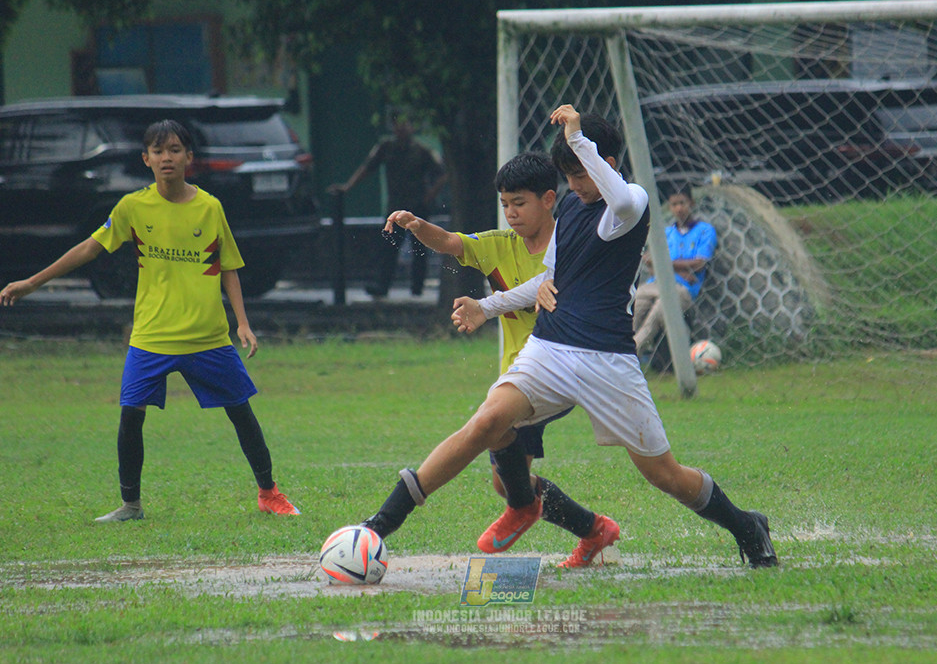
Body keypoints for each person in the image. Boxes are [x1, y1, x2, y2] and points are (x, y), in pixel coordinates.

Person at [362, 105, 777, 570]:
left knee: (665, 475)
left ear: (608, 165)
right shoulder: (572, 216)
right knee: (486, 424)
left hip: (609, 361)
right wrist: (486, 307)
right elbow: (547, 282)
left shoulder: (633, 200)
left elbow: (618, 202)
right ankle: (382, 523)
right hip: (550, 349)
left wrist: (579, 138)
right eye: (569, 176)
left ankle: (745, 525)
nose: (575, 186)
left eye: (580, 174)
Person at [0, 120, 300, 522]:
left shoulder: (210, 207)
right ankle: (130, 505)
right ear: (146, 159)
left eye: (175, 150)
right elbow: (90, 247)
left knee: (241, 412)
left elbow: (228, 266)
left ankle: (269, 493)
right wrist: (32, 283)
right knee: (130, 414)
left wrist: (242, 323)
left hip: (207, 337)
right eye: (158, 151)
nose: (167, 158)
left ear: (189, 158)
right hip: (151, 336)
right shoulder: (133, 207)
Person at [383, 152, 619, 568]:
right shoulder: (498, 245)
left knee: (493, 438)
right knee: (505, 483)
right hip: (516, 373)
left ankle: (389, 517)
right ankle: (593, 529)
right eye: (505, 204)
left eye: (519, 203)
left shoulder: (574, 240)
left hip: (557, 370)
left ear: (548, 199)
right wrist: (419, 227)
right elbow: (452, 242)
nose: (511, 213)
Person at [328, 108, 447, 298]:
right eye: (397, 124)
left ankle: (417, 289)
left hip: (417, 207)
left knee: (419, 249)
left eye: (405, 124)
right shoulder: (386, 148)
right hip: (396, 208)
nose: (401, 128)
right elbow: (367, 168)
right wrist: (347, 187)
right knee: (389, 247)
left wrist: (429, 196)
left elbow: (442, 174)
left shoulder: (421, 151)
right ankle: (382, 287)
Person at [633, 185, 717, 359]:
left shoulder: (705, 231)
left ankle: (633, 351)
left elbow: (699, 264)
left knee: (661, 307)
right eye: (674, 204)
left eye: (682, 203)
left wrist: (663, 264)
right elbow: (648, 261)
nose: (678, 208)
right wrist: (680, 268)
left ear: (691, 203)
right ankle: (618, 348)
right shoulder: (667, 233)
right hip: (655, 284)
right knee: (636, 302)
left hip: (682, 288)